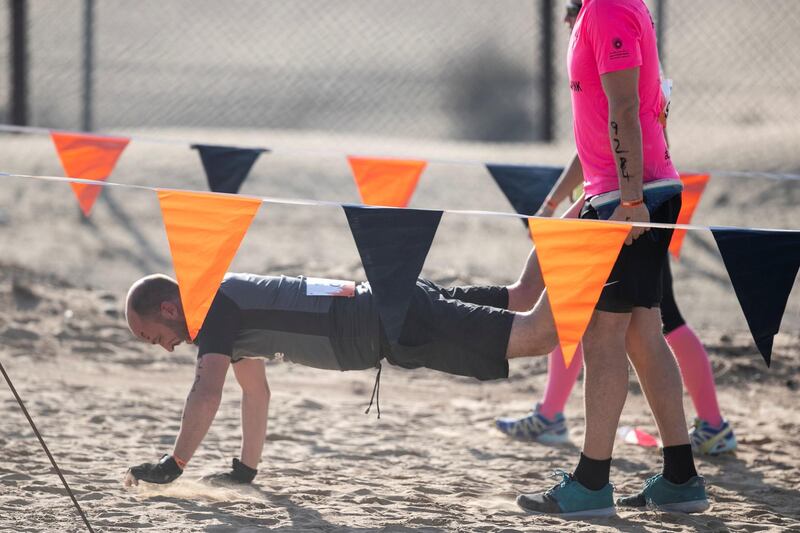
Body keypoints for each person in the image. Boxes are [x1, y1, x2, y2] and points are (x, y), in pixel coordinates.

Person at [494, 0, 735, 458]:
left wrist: (628, 201)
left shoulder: (606, 13)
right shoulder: (607, 17)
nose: (568, 27)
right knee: (626, 327)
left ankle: (702, 431)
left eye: (570, 17)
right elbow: (598, 142)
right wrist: (562, 206)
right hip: (625, 198)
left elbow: (625, 115)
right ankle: (676, 467)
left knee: (637, 328)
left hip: (633, 203)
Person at [123, 268, 562, 486]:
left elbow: (206, 393)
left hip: (396, 323)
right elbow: (255, 393)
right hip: (395, 308)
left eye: (152, 337)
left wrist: (174, 464)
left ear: (168, 309)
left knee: (537, 335)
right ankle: (581, 221)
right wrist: (245, 470)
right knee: (524, 294)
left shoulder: (215, 307)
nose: (163, 346)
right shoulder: (225, 307)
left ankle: (598, 255)